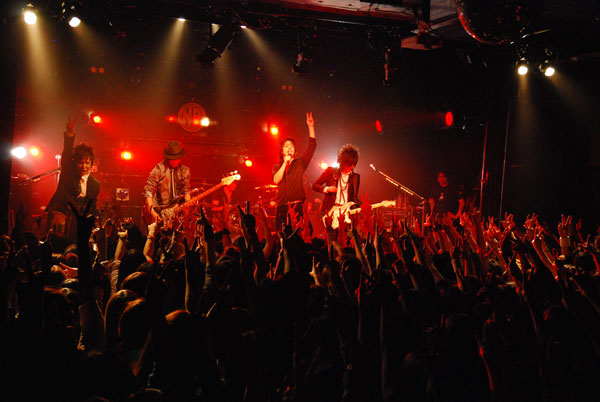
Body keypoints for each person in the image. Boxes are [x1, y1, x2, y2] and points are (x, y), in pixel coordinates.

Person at [45, 117, 100, 241]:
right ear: (75, 163)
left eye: (87, 163)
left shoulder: (95, 184)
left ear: (92, 164)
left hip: (78, 223)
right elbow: (67, 155)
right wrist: (69, 134)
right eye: (80, 162)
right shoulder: (68, 174)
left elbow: (92, 206)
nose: (83, 166)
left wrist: (99, 219)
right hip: (60, 217)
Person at [272, 112, 316, 230]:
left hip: (297, 206)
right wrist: (284, 163)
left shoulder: (301, 163)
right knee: (281, 235)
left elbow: (312, 147)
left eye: (291, 146)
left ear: (295, 150)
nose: (289, 147)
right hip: (282, 207)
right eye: (286, 146)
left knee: (301, 234)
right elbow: (276, 180)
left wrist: (311, 127)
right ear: (282, 151)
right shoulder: (277, 167)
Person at [312, 144, 361, 242]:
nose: (352, 167)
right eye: (349, 164)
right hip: (331, 211)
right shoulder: (330, 171)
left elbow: (354, 198)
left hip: (346, 213)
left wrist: (364, 206)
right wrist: (327, 189)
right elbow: (315, 185)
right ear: (343, 162)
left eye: (353, 164)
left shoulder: (355, 177)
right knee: (332, 241)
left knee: (345, 241)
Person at [143, 140, 191, 225]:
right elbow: (148, 191)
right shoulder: (159, 169)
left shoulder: (185, 171)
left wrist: (188, 207)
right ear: (168, 158)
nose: (175, 161)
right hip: (160, 210)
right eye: (172, 159)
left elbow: (186, 191)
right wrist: (152, 212)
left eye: (177, 159)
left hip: (177, 211)